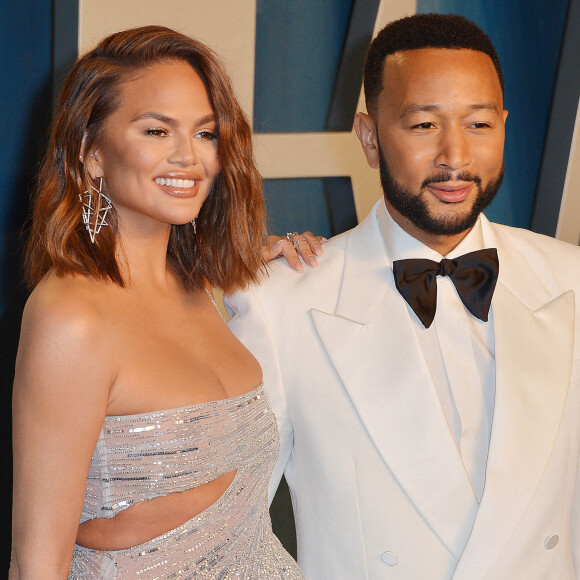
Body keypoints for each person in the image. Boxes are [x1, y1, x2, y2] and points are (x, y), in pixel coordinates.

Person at [227, 13, 580, 580]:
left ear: (505, 127)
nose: (455, 157)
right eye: (422, 126)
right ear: (369, 138)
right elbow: (228, 530)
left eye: (480, 124)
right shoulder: (280, 303)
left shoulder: (572, 282)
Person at [10, 25, 317, 579]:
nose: (189, 158)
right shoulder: (71, 317)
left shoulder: (200, 287)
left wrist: (280, 265)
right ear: (91, 152)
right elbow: (38, 564)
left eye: (206, 134)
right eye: (157, 130)